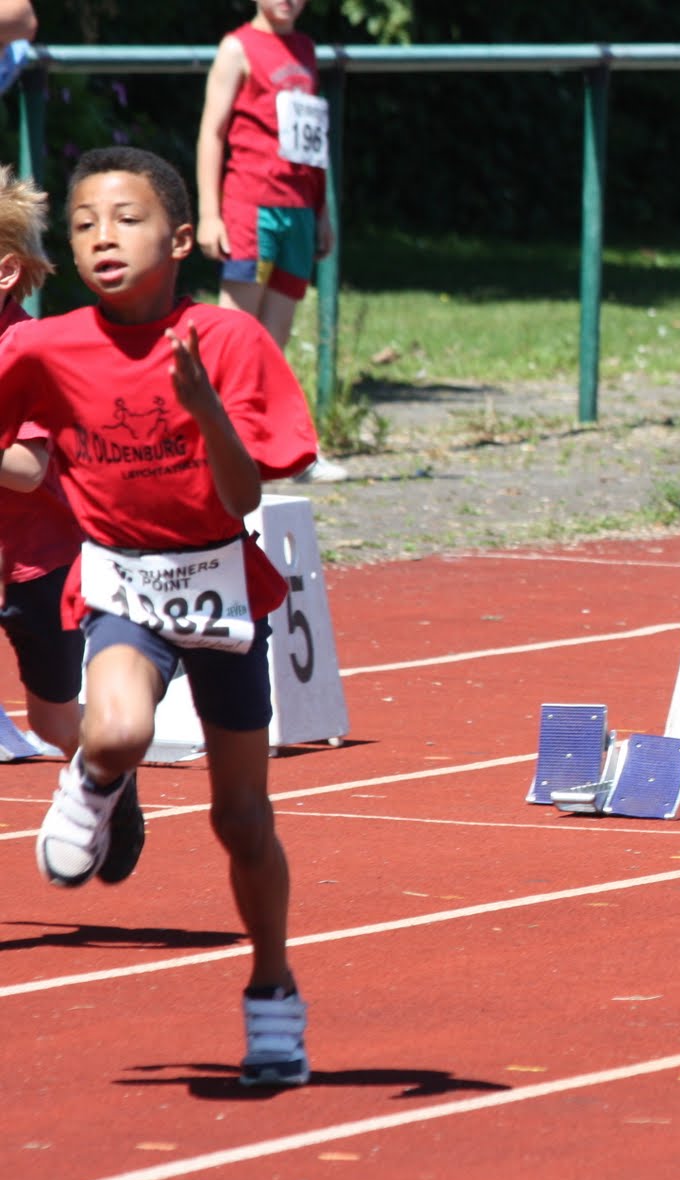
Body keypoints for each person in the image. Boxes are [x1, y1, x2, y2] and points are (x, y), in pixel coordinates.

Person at [0, 146, 320, 1086]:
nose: (103, 237)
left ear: (179, 239)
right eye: (85, 224)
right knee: (115, 730)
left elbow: (245, 494)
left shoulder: (229, 340)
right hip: (119, 581)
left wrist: (206, 410)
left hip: (219, 579)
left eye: (126, 219)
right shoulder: (43, 348)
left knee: (241, 819)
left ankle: (272, 990)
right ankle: (95, 784)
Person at [0, 167, 147, 887]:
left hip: (38, 561)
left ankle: (109, 783)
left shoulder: (32, 351)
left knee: (56, 722)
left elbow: (28, 469)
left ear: (5, 272)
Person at [196, 0, 345, 485]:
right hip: (251, 207)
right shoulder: (236, 48)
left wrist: (322, 212)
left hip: (299, 211)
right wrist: (210, 213)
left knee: (274, 340)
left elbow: (313, 144)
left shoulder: (305, 50)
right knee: (236, 332)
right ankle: (208, 448)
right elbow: (212, 133)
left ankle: (281, 451)